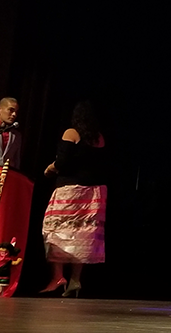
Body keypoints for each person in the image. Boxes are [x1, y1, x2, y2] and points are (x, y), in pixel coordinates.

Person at [40, 100, 107, 298]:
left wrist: (50, 168)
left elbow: (62, 161)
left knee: (54, 230)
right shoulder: (99, 138)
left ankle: (57, 277)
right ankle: (75, 280)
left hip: (70, 190)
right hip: (93, 193)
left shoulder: (71, 133)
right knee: (82, 235)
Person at [0, 98, 22, 171]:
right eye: (11, 110)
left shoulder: (16, 135)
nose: (14, 114)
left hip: (5, 175)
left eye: (16, 112)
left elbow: (16, 160)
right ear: (0, 110)